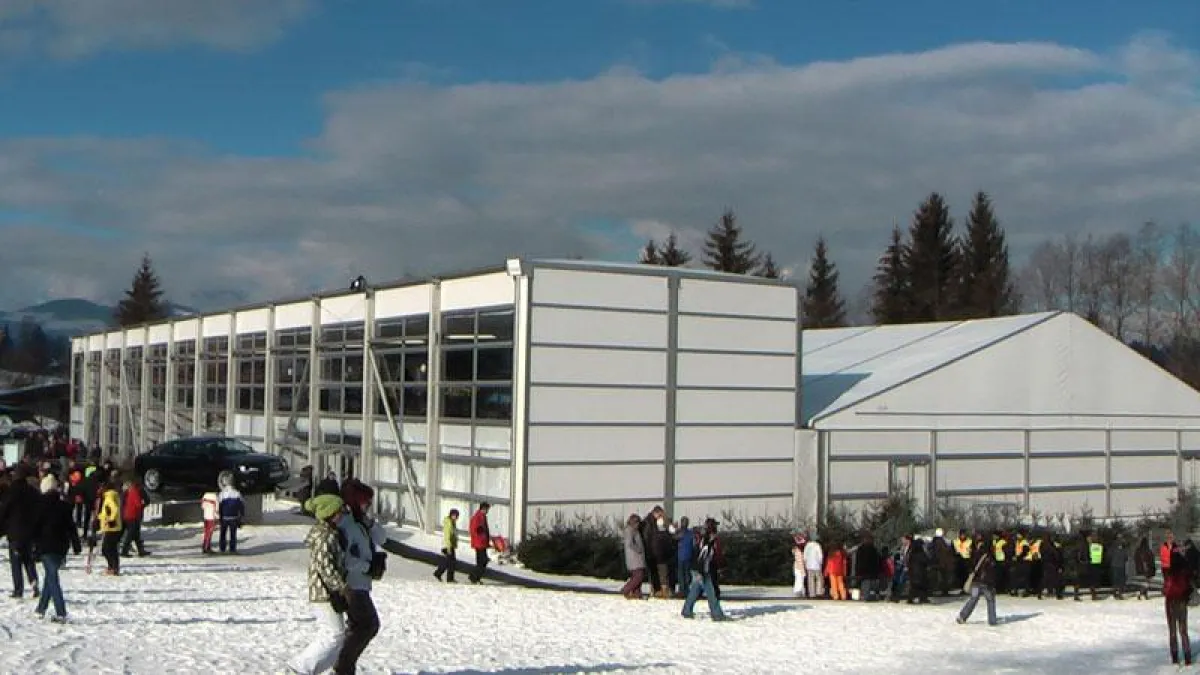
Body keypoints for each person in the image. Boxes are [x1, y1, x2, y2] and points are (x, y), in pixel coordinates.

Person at [288, 494, 349, 675]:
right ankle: (301, 667)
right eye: (339, 512)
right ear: (330, 513)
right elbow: (325, 566)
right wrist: (342, 586)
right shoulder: (325, 536)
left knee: (332, 634)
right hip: (324, 592)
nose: (342, 515)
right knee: (335, 634)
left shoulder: (329, 533)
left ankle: (307, 669)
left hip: (324, 591)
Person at [334, 479, 384, 675]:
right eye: (366, 502)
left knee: (361, 626)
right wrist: (368, 567)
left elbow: (382, 538)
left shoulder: (361, 522)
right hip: (352, 585)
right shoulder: (346, 524)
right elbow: (346, 558)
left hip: (362, 584)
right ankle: (342, 666)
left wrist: (370, 522)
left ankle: (345, 666)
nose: (368, 506)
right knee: (367, 625)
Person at [31, 475, 81, 622]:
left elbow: (34, 528)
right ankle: (41, 609)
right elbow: (71, 527)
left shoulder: (39, 505)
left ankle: (61, 612)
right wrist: (76, 545)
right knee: (50, 577)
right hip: (61, 547)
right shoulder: (64, 506)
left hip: (46, 546)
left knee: (52, 578)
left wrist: (32, 545)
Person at [0, 464, 41, 598]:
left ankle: (18, 589)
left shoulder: (10, 492)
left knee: (16, 561)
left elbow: (3, 511)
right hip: (29, 530)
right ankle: (33, 580)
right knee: (28, 558)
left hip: (14, 530)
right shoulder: (32, 491)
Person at [681, 518, 727, 621]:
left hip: (696, 568)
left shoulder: (700, 538)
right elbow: (716, 556)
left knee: (695, 590)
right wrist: (721, 566)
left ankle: (686, 610)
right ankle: (717, 614)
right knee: (711, 593)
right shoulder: (712, 541)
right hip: (705, 570)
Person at [957, 534, 998, 626]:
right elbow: (992, 571)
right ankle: (992, 620)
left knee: (973, 599)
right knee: (990, 600)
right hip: (987, 582)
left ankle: (962, 616)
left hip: (976, 581)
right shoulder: (990, 555)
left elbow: (970, 566)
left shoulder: (975, 553)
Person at [1163, 548, 1193, 666]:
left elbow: (1165, 589)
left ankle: (1175, 656)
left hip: (1170, 602)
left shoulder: (1168, 571)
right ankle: (1187, 656)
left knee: (1172, 630)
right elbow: (1189, 587)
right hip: (1181, 602)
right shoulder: (1184, 570)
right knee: (1183, 629)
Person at [97, 477, 123, 575]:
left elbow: (115, 509)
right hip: (114, 526)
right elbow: (106, 511)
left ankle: (113, 567)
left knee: (106, 549)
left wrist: (111, 519)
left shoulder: (109, 497)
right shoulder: (113, 495)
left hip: (112, 527)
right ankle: (113, 567)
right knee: (112, 548)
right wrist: (100, 517)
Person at [120, 479, 149, 557]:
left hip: (129, 515)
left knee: (136, 534)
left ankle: (140, 550)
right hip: (132, 515)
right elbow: (138, 504)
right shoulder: (135, 491)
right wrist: (142, 504)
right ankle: (124, 551)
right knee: (131, 534)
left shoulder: (130, 491)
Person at [621, 514, 646, 599]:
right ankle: (626, 589)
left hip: (637, 558)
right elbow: (630, 543)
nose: (638, 525)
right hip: (634, 558)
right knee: (638, 576)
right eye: (637, 523)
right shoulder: (629, 530)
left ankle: (637, 593)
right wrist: (638, 549)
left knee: (638, 576)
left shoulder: (634, 530)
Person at [218, 480, 245, 554]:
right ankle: (232, 549)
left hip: (224, 517)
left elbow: (220, 507)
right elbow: (241, 506)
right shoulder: (237, 493)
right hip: (234, 517)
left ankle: (222, 549)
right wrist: (242, 516)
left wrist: (220, 517)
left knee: (223, 534)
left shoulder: (222, 494)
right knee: (233, 534)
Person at [467, 502, 491, 584]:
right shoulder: (477, 517)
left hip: (482, 543)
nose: (488, 511)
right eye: (487, 509)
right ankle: (473, 576)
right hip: (479, 543)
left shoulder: (483, 516)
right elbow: (474, 529)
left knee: (482, 561)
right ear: (483, 509)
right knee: (482, 561)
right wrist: (480, 532)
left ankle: (476, 577)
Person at [433, 508, 460, 582]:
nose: (456, 517)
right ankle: (449, 579)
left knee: (447, 562)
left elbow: (453, 535)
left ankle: (438, 573)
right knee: (451, 563)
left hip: (449, 545)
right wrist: (448, 547)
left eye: (457, 516)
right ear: (451, 515)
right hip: (447, 545)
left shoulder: (452, 523)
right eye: (454, 515)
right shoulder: (448, 523)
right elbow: (447, 535)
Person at [200, 490, 219, 554]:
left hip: (206, 516)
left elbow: (202, 506)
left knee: (206, 532)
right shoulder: (215, 496)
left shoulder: (205, 495)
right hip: (212, 516)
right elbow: (217, 508)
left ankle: (204, 546)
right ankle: (207, 547)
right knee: (210, 533)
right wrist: (217, 517)